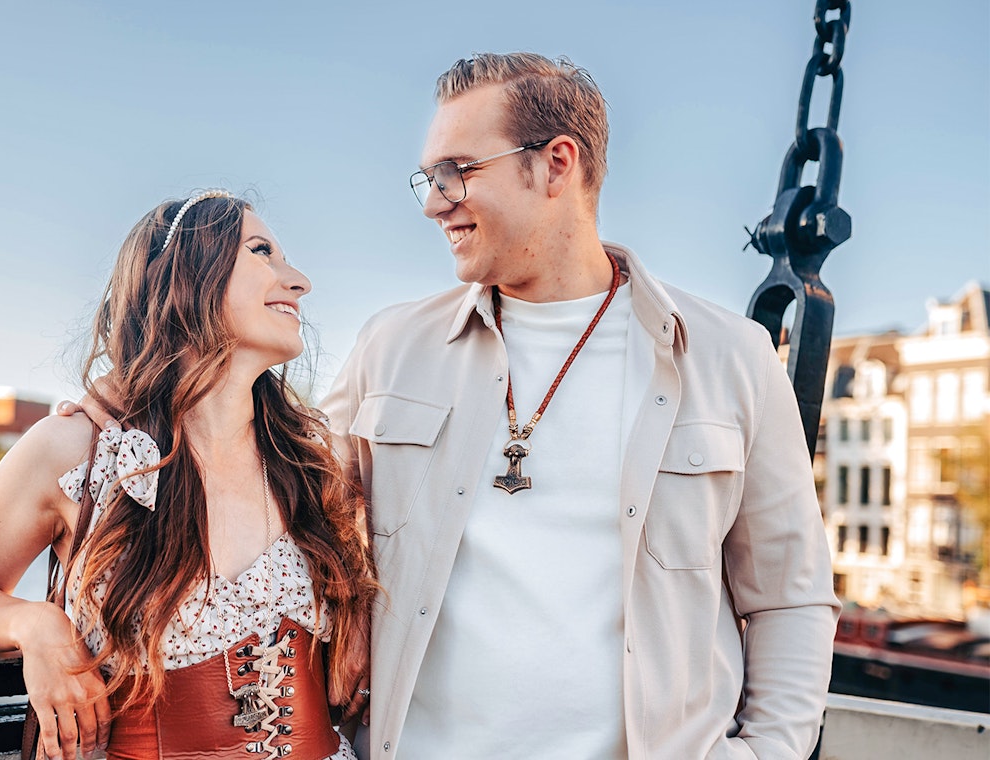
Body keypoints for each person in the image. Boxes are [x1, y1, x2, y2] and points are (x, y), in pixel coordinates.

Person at [319, 53, 840, 759]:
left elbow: (789, 597)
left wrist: (767, 753)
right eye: (429, 178)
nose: (434, 202)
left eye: (457, 172)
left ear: (557, 163)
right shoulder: (390, 346)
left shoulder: (730, 358)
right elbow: (289, 520)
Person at [0, 192, 376, 760]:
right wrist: (35, 625)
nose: (300, 281)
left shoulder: (311, 463)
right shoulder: (76, 450)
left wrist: (359, 609)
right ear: (185, 274)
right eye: (263, 251)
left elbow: (369, 567)